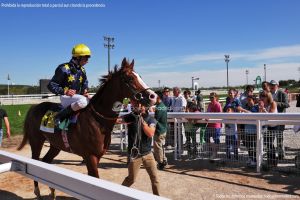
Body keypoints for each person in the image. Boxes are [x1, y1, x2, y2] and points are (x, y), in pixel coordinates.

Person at [117, 101, 160, 195]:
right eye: (137, 105)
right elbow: (117, 120)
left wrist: (143, 123)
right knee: (131, 179)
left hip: (148, 154)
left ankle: (157, 197)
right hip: (135, 154)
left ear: (146, 107)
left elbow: (150, 133)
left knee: (155, 179)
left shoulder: (151, 119)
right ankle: (118, 194)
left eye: (141, 104)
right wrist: (115, 109)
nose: (139, 106)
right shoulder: (131, 116)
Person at [47, 44, 91, 127]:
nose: (87, 60)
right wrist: (65, 91)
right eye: (86, 58)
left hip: (77, 97)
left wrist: (85, 91)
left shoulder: (82, 70)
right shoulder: (63, 68)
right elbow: (51, 85)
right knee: (84, 101)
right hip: (65, 97)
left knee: (91, 99)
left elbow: (85, 83)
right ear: (78, 57)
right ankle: (59, 116)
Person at [269, 80, 290, 159]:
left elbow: (287, 104)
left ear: (277, 85)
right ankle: (272, 156)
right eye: (271, 85)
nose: (272, 86)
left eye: (274, 85)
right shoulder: (269, 93)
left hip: (280, 118)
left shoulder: (282, 93)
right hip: (270, 119)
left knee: (279, 138)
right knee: (270, 138)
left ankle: (281, 155)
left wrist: (275, 103)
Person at [259, 90, 278, 167]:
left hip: (273, 125)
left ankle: (273, 161)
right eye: (261, 96)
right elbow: (260, 115)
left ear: (268, 96)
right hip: (266, 125)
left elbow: (270, 116)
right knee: (267, 143)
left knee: (270, 143)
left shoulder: (273, 103)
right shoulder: (263, 104)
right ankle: (270, 160)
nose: (261, 97)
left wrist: (263, 109)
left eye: (263, 96)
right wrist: (261, 108)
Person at [153, 91, 168, 170]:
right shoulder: (163, 106)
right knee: (161, 146)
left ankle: (161, 163)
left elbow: (155, 120)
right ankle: (164, 160)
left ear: (158, 98)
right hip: (163, 129)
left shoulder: (158, 107)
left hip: (159, 130)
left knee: (158, 147)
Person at [205, 92, 222, 160]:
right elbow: (207, 113)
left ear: (216, 97)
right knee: (206, 138)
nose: (211, 98)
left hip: (216, 125)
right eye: (210, 97)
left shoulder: (218, 104)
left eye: (212, 97)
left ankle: (214, 153)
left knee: (216, 139)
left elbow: (220, 114)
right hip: (209, 124)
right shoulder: (209, 105)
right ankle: (211, 150)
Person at [244, 95, 259, 166]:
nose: (248, 102)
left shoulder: (256, 107)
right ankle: (250, 158)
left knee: (253, 146)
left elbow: (255, 116)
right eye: (247, 100)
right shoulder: (246, 107)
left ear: (254, 100)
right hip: (247, 130)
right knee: (248, 146)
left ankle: (254, 160)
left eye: (250, 100)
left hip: (254, 131)